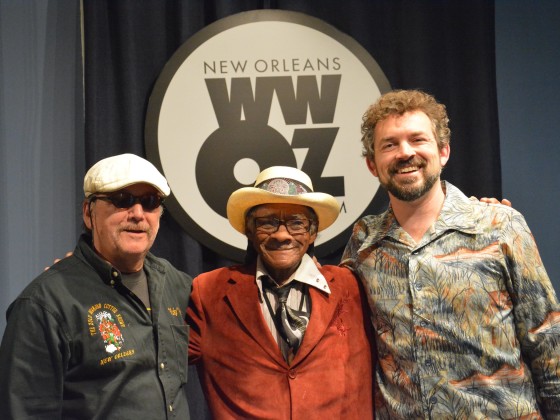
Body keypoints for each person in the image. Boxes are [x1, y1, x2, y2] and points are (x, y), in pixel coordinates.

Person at [341, 89, 560, 418]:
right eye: (390, 144)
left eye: (418, 140)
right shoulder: (364, 242)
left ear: (443, 151)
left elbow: (546, 338)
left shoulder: (499, 225)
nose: (405, 153)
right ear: (372, 164)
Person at [0, 154, 193, 419]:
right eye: (122, 200)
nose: (138, 214)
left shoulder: (176, 283)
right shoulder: (44, 303)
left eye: (149, 202)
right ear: (88, 213)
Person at [187, 166, 374, 419]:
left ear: (313, 233)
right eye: (267, 223)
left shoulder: (352, 287)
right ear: (249, 231)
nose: (282, 235)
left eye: (296, 223)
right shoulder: (209, 292)